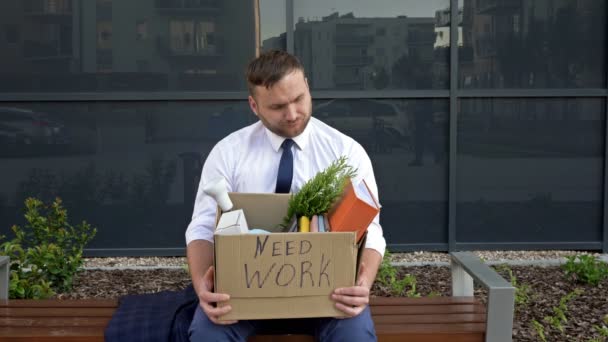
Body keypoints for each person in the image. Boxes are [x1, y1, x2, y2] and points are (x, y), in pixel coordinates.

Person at [185, 50, 386, 341]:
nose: (292, 114)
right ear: (254, 105)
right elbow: (203, 226)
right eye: (277, 106)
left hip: (328, 295)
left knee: (355, 336)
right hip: (243, 293)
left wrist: (363, 284)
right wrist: (202, 288)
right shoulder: (228, 153)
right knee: (207, 336)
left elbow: (372, 228)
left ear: (307, 85)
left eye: (298, 99)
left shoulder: (345, 151)